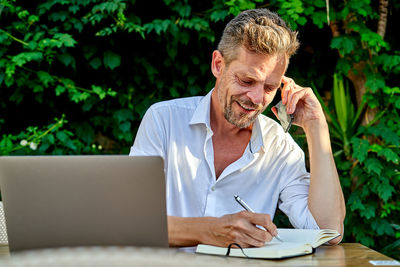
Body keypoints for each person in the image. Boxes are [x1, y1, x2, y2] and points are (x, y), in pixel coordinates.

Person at [129, 8, 346, 248]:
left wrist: (316, 126)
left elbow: (328, 232)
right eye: (247, 81)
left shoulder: (280, 148)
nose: (255, 98)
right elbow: (132, 222)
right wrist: (209, 231)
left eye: (269, 88)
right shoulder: (164, 120)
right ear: (218, 65)